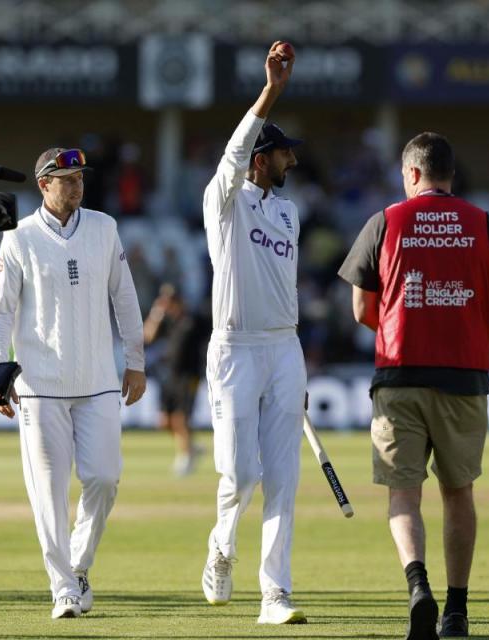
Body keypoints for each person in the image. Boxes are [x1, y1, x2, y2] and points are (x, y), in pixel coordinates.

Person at [338, 132, 489, 639]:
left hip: (399, 375)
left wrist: (410, 316)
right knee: (458, 491)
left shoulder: (385, 221)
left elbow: (360, 309)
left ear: (413, 174)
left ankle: (417, 585)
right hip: (464, 376)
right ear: (451, 175)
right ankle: (458, 610)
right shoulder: (485, 224)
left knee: (403, 494)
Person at [0, 146, 146, 619]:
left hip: (98, 380)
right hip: (39, 384)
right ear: (44, 185)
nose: (76, 185)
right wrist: (1, 373)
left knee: (103, 479)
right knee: (48, 492)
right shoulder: (19, 239)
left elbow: (126, 297)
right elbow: (0, 313)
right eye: (66, 178)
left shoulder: (103, 228)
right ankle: (63, 588)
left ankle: (77, 566)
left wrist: (134, 361)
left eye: (80, 177)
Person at [200, 41, 310, 625]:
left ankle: (276, 592)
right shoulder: (224, 201)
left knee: (284, 482)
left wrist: (295, 369)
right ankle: (221, 547)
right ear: (261, 160)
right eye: (284, 154)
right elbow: (233, 150)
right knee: (240, 476)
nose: (292, 161)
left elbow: (282, 288)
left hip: (283, 348)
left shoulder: (289, 213)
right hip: (235, 350)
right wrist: (271, 90)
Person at [143, 283, 206, 476]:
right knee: (165, 421)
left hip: (190, 375)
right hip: (170, 375)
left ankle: (186, 457)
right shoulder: (166, 321)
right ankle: (192, 447)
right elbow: (147, 337)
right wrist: (155, 315)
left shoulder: (194, 320)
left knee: (181, 418)